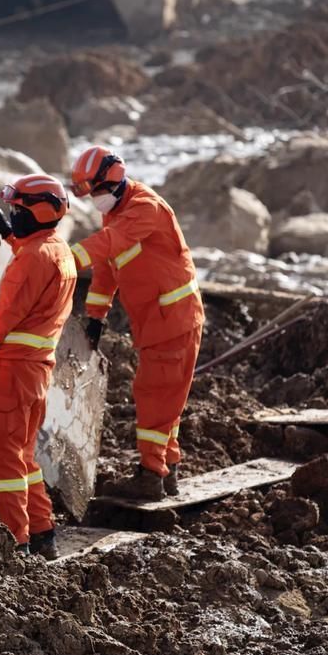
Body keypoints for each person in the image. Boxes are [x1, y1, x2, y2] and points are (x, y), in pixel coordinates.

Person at [69, 146, 204, 500]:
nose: (94, 200)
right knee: (166, 395)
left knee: (155, 394)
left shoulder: (145, 208)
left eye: (96, 191)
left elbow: (109, 243)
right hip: (159, 320)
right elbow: (106, 268)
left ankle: (150, 476)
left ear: (112, 182)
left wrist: (61, 261)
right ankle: (166, 469)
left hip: (172, 320)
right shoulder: (115, 211)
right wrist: (95, 316)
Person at [0, 174, 78, 559]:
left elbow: (4, 316)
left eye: (18, 209)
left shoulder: (33, 258)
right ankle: (41, 531)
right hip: (35, 373)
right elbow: (38, 265)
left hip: (12, 372)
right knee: (22, 454)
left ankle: (15, 542)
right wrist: (10, 236)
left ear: (40, 212)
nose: (13, 214)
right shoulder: (58, 250)